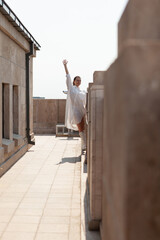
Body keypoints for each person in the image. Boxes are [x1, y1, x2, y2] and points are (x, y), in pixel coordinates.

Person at [62, 59, 86, 152]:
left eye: (80, 80)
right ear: (74, 81)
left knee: (84, 128)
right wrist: (65, 66)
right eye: (77, 80)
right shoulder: (71, 89)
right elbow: (68, 77)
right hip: (75, 111)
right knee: (80, 129)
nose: (79, 81)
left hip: (82, 110)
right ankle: (84, 145)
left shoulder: (82, 91)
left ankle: (83, 145)